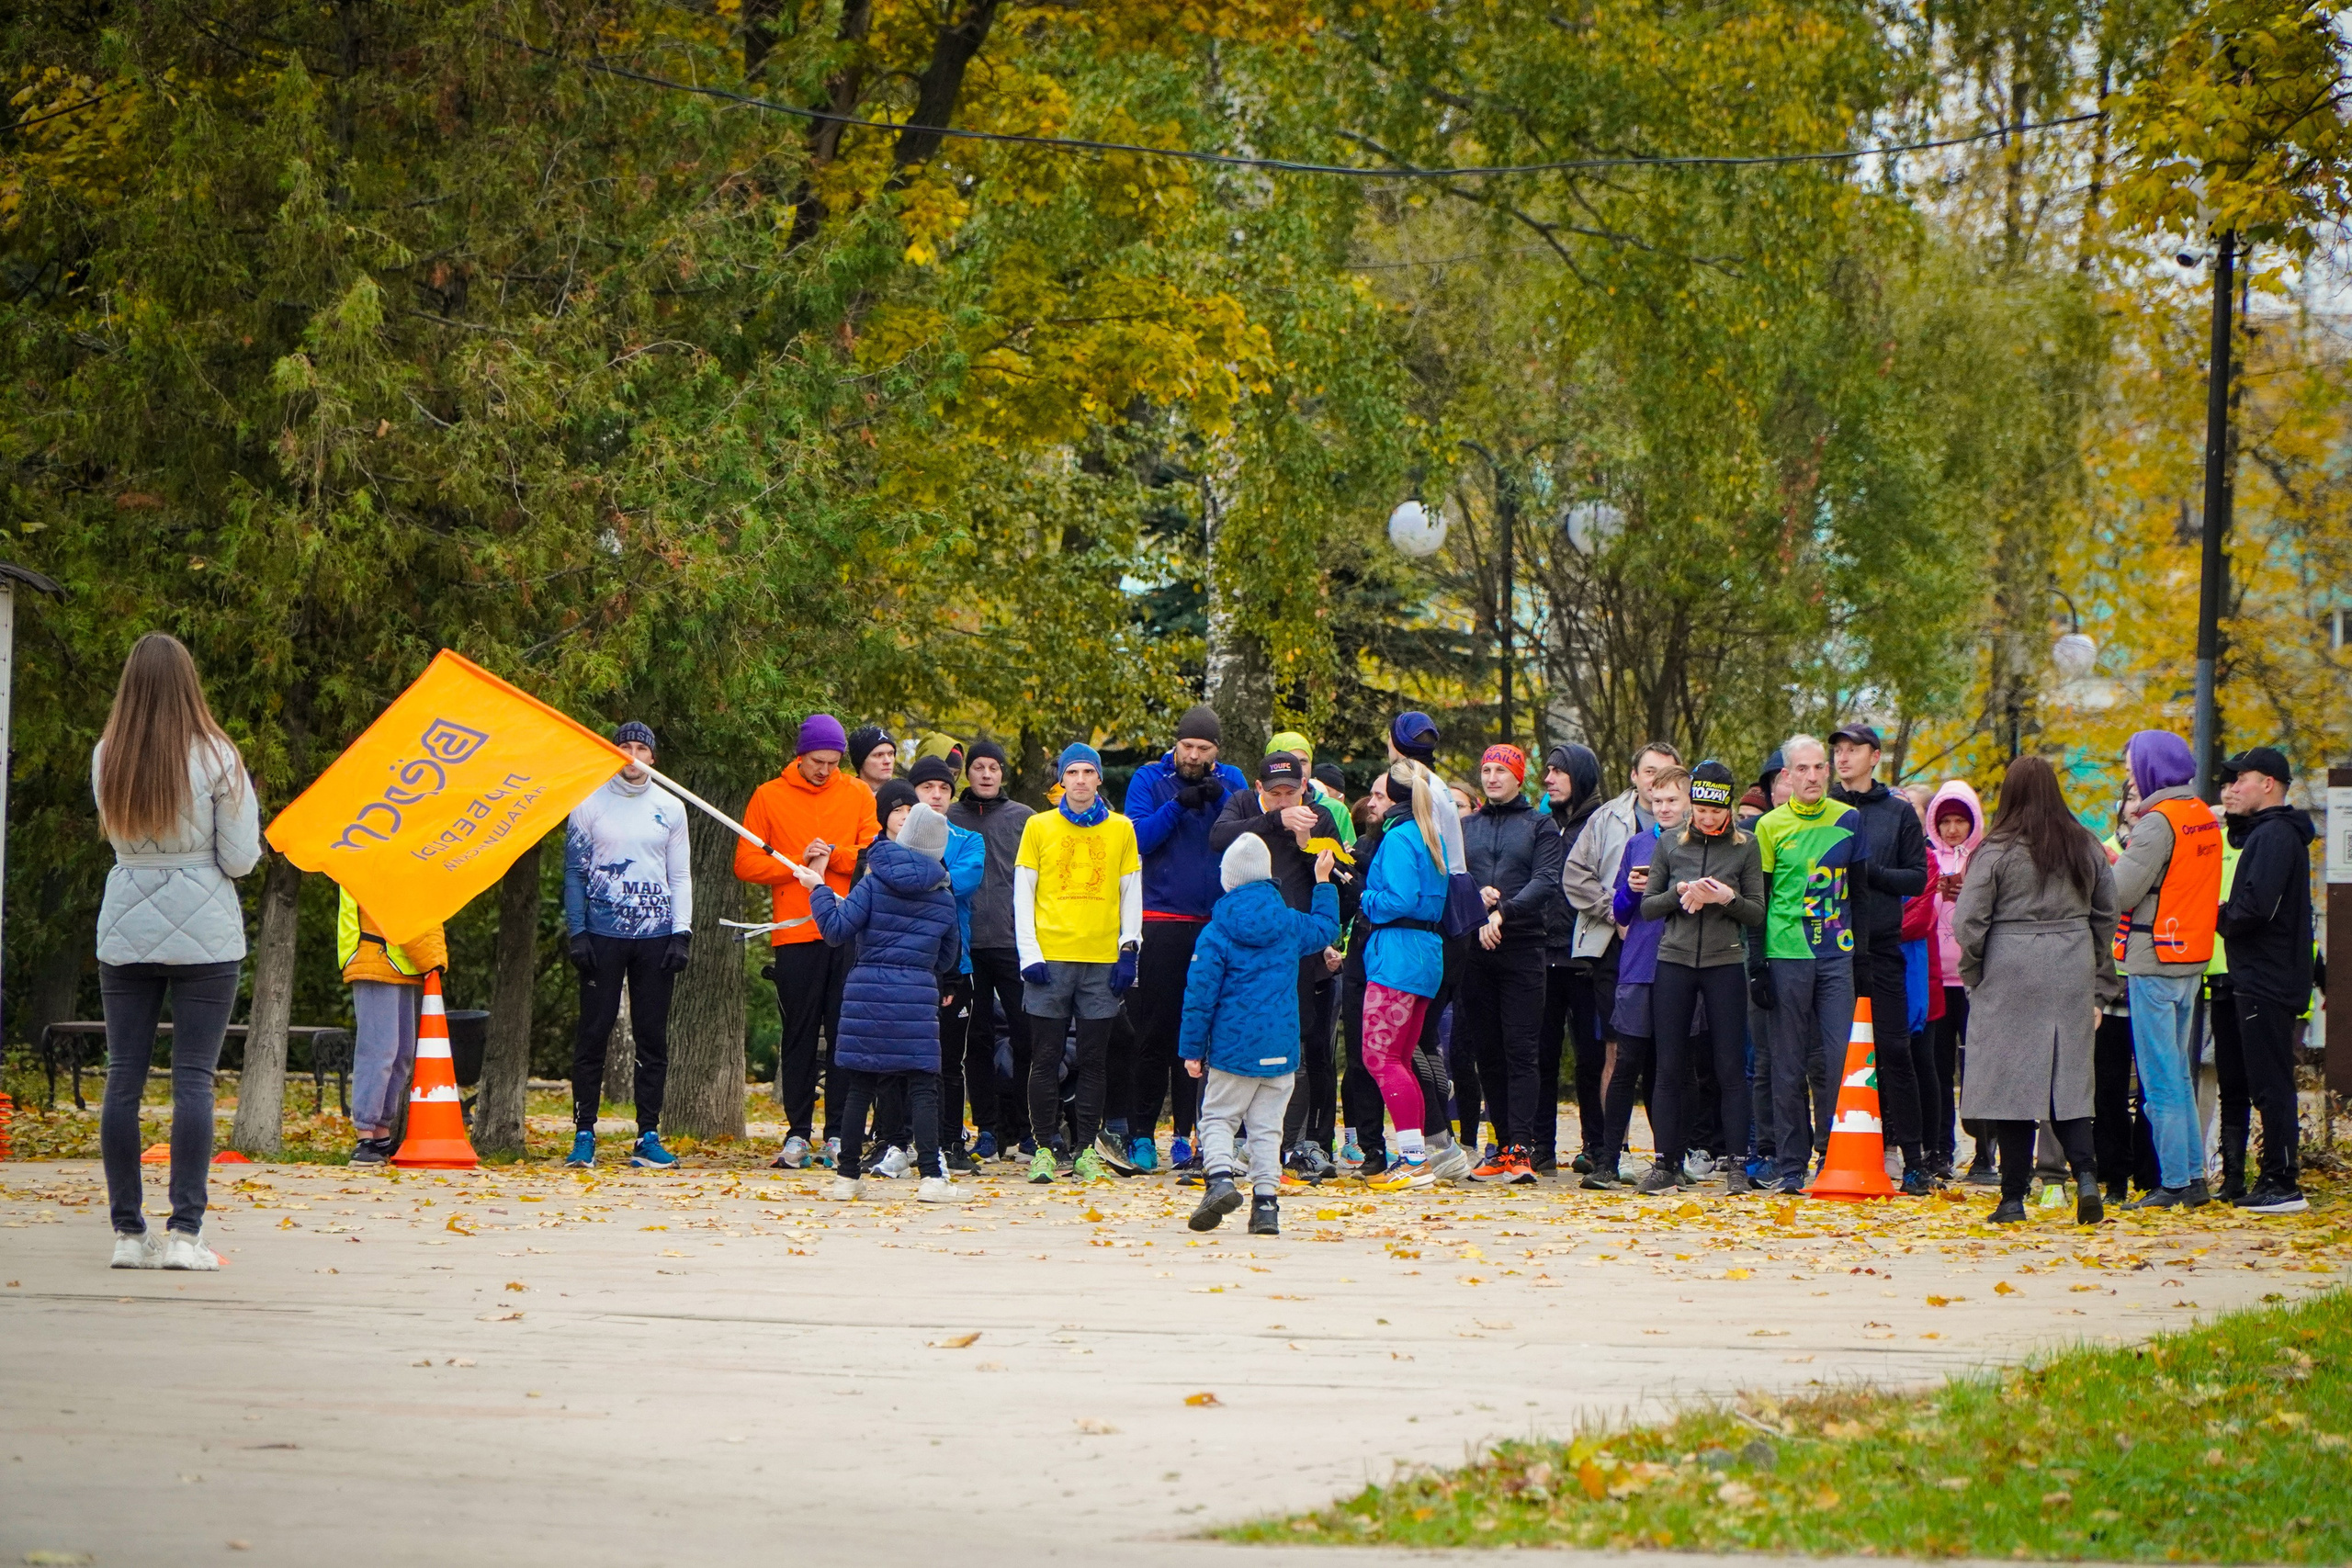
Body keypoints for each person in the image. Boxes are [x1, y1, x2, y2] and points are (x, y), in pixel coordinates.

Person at [93, 633, 260, 1272]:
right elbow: (241, 859)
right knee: (193, 1079)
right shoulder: (219, 756)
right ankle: (185, 1233)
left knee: (122, 1079)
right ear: (189, 683)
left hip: (126, 923)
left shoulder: (107, 754)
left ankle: (127, 1233)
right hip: (205, 931)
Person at [1951, 755, 2119, 1226]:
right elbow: (2108, 911)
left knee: (2012, 1085)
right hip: (2070, 968)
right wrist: (2095, 972)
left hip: (2009, 970)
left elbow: (1969, 921)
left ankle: (2012, 1199)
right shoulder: (2084, 843)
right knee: (2069, 1080)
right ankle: (2085, 1178)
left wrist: (1974, 971)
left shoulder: (1996, 849)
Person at [798, 797, 962, 1204]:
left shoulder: (873, 880)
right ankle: (930, 1178)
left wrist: (818, 890)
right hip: (916, 1000)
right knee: (923, 1087)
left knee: (860, 1086)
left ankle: (847, 1177)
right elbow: (947, 957)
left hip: (866, 994)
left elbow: (836, 930)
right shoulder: (943, 896)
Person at [1180, 835, 1342, 1235]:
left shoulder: (1217, 932)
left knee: (1217, 1117)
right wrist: (1323, 883)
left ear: (1228, 880)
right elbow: (1326, 929)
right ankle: (1266, 1206)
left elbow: (1200, 996)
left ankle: (1219, 1179)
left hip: (1234, 1046)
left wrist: (1192, 1050)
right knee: (1268, 1128)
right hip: (1281, 1047)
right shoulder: (1288, 923)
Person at [737, 713, 877, 1170]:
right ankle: (797, 1133)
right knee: (798, 1034)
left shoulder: (856, 792)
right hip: (794, 932)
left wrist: (833, 856)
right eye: (818, 761)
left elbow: (875, 852)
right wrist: (797, 865)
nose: (825, 770)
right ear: (800, 755)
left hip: (846, 927)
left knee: (843, 1033)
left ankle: (838, 1132)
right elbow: (746, 863)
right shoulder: (768, 795)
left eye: (834, 762)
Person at [1209, 750, 1352, 1179]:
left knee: (1300, 1042)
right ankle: (1228, 1146)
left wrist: (1308, 848)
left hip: (1296, 942)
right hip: (1241, 944)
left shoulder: (1319, 818)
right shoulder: (1241, 806)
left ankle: (1289, 1147)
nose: (1285, 801)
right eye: (1275, 794)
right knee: (1232, 1035)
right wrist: (1275, 822)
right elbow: (1217, 840)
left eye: (1292, 793)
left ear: (1305, 790)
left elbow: (1342, 879)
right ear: (1259, 790)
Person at [1120, 705, 1248, 1172]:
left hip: (1215, 922)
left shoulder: (1232, 780)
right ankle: (1141, 1134)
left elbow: (1245, 838)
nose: (1193, 756)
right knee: (1156, 1029)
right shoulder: (1148, 779)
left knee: (1203, 1035)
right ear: (1175, 744)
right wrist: (1179, 804)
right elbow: (1137, 838)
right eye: (1187, 746)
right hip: (1161, 918)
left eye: (1203, 748)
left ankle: (1191, 1137)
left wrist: (1220, 797)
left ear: (1217, 750)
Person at [561, 721, 692, 1169]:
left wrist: (682, 931)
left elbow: (679, 876)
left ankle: (648, 1135)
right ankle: (584, 1134)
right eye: (625, 747)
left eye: (641, 749)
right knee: (593, 1035)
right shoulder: (588, 803)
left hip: (656, 937)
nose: (633, 756)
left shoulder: (671, 806)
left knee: (652, 1038)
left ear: (652, 758)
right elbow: (575, 873)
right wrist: (577, 931)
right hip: (602, 934)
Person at [1015, 742, 1143, 1183]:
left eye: (1090, 772)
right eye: (1074, 772)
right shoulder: (1039, 826)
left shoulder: (1121, 829)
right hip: (1051, 958)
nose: (1082, 780)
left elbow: (1131, 893)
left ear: (1099, 779)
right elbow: (1023, 893)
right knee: (1046, 1057)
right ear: (1062, 779)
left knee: (1094, 1058)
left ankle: (1087, 1148)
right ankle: (1046, 1147)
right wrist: (1029, 953)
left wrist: (1130, 949)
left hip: (1101, 958)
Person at [2108, 730, 2223, 1208]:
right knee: (2178, 1073)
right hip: (2190, 956)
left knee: (2159, 1082)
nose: (2132, 775)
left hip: (2153, 957)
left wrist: (2112, 859)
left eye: (2135, 765)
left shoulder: (2159, 823)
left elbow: (2120, 892)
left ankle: (2175, 1183)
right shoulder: (2199, 816)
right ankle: (2192, 1176)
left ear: (2153, 768)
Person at [1558, 739, 1682, 1171]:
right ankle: (1619, 1150)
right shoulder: (1607, 818)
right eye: (1649, 772)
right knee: (1617, 1050)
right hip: (1615, 948)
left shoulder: (1691, 825)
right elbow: (1574, 875)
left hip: (1677, 949)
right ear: (1634, 776)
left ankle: (1670, 1154)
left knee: (1669, 1054)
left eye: (1667, 774)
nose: (1656, 783)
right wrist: (1615, 910)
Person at [1645, 761, 1767, 1193]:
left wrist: (1728, 897)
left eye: (1715, 810)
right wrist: (1679, 895)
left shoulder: (1745, 846)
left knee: (1729, 1066)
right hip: (1674, 959)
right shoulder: (1669, 844)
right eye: (1700, 809)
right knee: (1669, 1066)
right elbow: (1646, 906)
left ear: (1729, 808)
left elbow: (1757, 910)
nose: (1707, 818)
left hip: (1725, 961)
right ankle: (1665, 1162)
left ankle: (1736, 1163)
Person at [1754, 735, 1869, 1195]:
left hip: (1836, 957)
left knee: (1839, 1061)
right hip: (1786, 953)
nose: (1814, 777)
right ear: (1787, 775)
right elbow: (1759, 899)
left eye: (1820, 767)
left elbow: (1859, 894)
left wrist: (1861, 959)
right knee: (1786, 1064)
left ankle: (1834, 1155)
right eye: (1803, 769)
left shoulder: (1849, 820)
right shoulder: (1769, 826)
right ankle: (1790, 1166)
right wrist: (1758, 963)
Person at [1827, 724, 1933, 1192]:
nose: (1843, 758)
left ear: (1875, 757)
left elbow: (1916, 877)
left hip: (1883, 947)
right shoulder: (1821, 812)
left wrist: (1868, 873)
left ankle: (1914, 1158)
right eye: (1838, 751)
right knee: (1829, 1056)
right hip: (1827, 949)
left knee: (1894, 1050)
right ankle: (1823, 1153)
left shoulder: (1899, 813)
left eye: (1854, 750)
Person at [2212, 747, 2316, 1213]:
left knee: (2272, 1084)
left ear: (2269, 783)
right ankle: (2271, 1177)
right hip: (2262, 975)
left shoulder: (2275, 835)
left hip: (2267, 979)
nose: (2232, 789)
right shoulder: (2267, 834)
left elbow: (2257, 907)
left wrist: (2216, 917)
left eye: (2241, 780)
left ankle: (2282, 1181)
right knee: (2263, 1082)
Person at [1457, 744, 1565, 1182]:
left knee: (1522, 1050)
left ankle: (1522, 1146)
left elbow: (1546, 880)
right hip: (1476, 948)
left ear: (1520, 777)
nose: (1492, 777)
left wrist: (1504, 912)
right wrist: (1476, 903)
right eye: (1485, 769)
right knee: (1487, 1051)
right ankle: (1500, 1146)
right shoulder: (1467, 826)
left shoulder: (1540, 825)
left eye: (1501, 770)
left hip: (1522, 946)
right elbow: (1454, 875)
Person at [1352, 762, 1455, 1190]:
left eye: (1379, 795)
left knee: (1379, 1058)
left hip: (1397, 957)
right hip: (1425, 957)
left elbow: (1397, 898)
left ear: (1394, 797)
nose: (1372, 803)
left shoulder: (1398, 838)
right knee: (1399, 1057)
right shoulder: (1431, 834)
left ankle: (1413, 1158)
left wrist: (1363, 895)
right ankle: (1414, 1155)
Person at [1589, 766, 1690, 1190]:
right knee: (1626, 1061)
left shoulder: (1701, 847)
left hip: (1683, 967)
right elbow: (1621, 912)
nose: (1664, 807)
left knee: (1672, 1068)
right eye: (1658, 799)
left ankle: (1672, 1162)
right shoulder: (1636, 844)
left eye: (1672, 800)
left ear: (1689, 802)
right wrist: (1629, 890)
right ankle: (1608, 1160)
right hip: (1636, 967)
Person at [945, 739, 1036, 1159]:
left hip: (1014, 941)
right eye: (978, 767)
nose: (985, 774)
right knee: (975, 1039)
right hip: (965, 945)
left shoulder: (1025, 819)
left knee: (1027, 1036)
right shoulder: (949, 816)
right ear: (968, 773)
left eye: (994, 768)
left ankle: (1029, 1128)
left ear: (1003, 773)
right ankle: (987, 1128)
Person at [908, 756, 988, 1171]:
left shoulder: (969, 840)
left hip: (957, 964)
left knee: (950, 1059)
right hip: (910, 964)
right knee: (905, 1058)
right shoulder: (896, 841)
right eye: (927, 788)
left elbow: (962, 882)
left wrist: (915, 876)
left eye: (943, 789)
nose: (936, 795)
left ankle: (951, 1140)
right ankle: (900, 1140)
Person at [338, 890, 447, 1164]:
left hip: (399, 962)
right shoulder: (381, 860)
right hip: (375, 957)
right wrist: (432, 961)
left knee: (399, 1054)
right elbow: (404, 913)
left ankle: (381, 1133)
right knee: (379, 1052)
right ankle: (365, 1136)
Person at [1538, 743, 1604, 1174]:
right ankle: (1540, 1146)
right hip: (1541, 955)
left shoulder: (1602, 823)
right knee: (1540, 1054)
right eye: (1546, 770)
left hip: (1588, 958)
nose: (1548, 778)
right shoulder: (1541, 823)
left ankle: (1597, 1146)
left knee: (1592, 1057)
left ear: (1578, 776)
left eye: (1558, 771)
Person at [1923, 781, 1984, 1183]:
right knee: (1938, 1069)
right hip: (1936, 981)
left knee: (1980, 1069)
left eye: (1960, 820)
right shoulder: (1927, 859)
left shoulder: (1984, 861)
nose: (1952, 829)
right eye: (1944, 821)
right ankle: (1941, 1148)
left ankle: (1987, 1152)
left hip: (1976, 981)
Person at [846, 725, 898, 793]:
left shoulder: (906, 795)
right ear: (861, 761)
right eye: (879, 755)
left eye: (890, 754)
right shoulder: (846, 797)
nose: (887, 761)